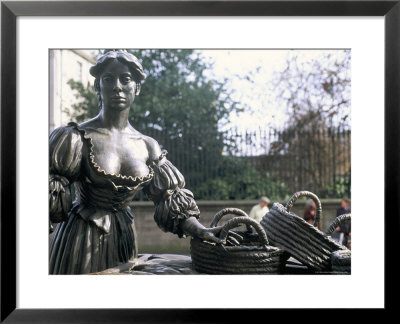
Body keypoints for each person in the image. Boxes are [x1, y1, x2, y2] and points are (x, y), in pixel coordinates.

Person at [49, 50, 223, 274]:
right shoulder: (74, 137)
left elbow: (169, 200)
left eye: (126, 78)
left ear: (137, 87)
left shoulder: (148, 146)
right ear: (97, 87)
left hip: (125, 237)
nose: (117, 86)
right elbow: (47, 198)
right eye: (108, 79)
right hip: (81, 239)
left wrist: (200, 230)